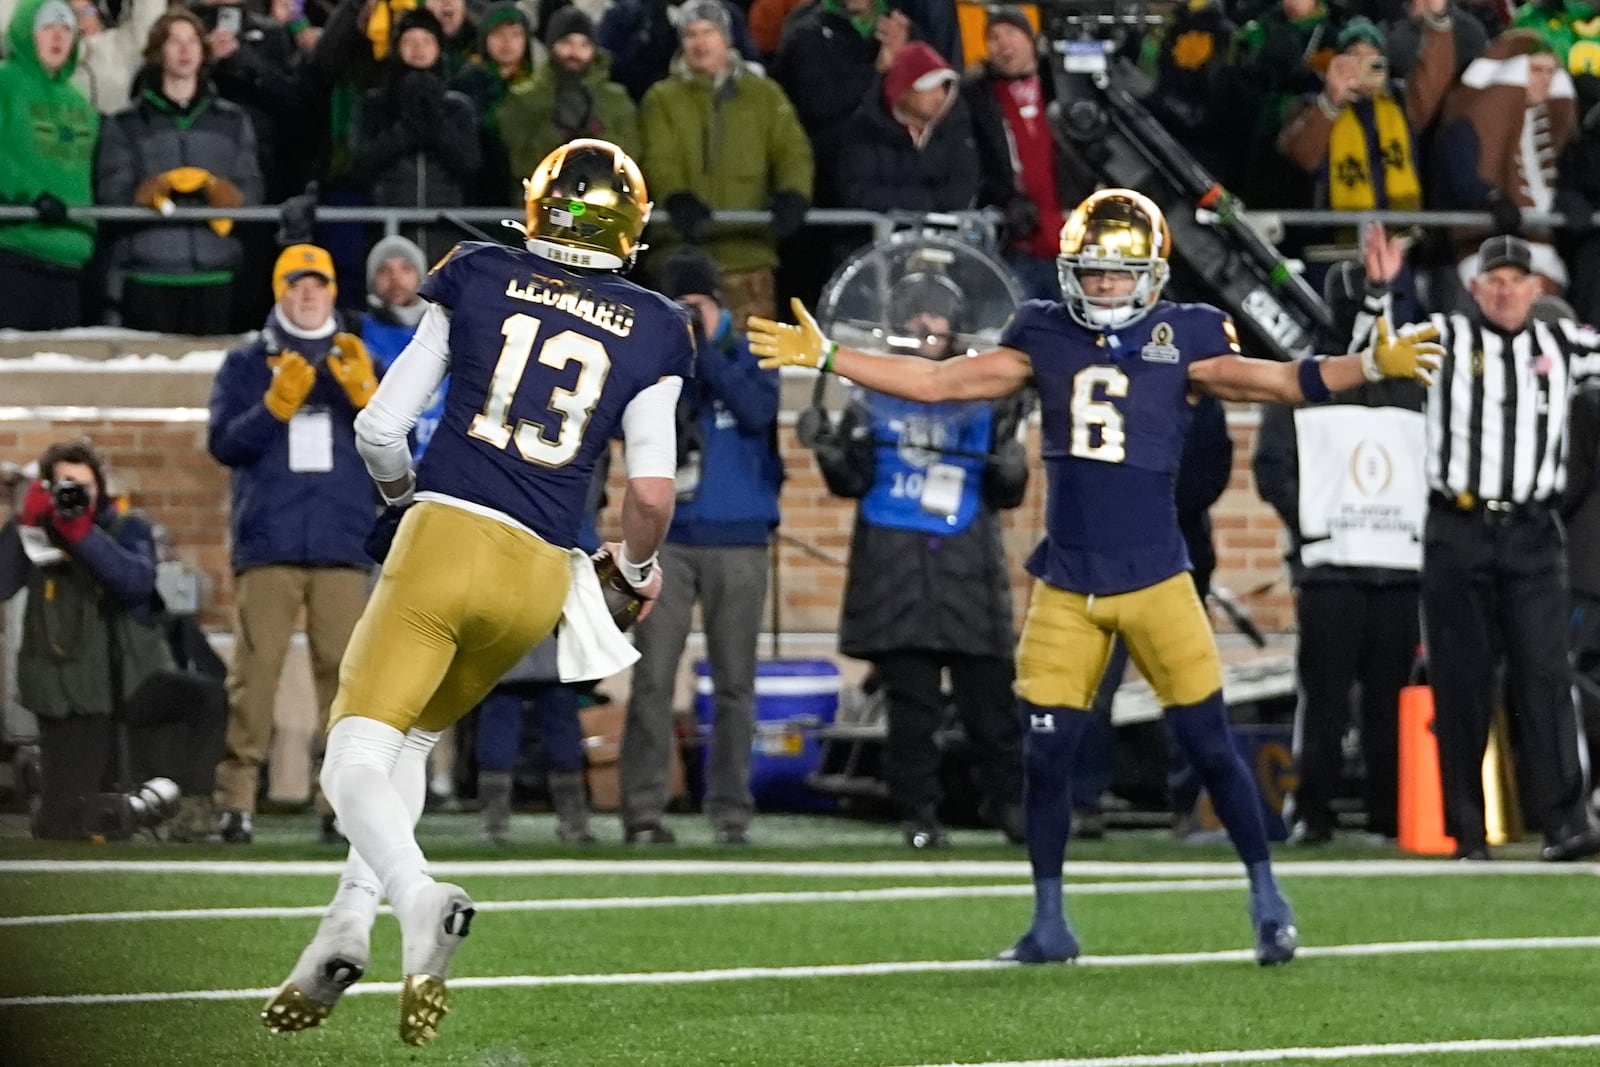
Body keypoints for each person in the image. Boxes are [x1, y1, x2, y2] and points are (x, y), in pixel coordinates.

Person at [747, 187, 1444, 965]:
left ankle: (1267, 894)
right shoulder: (1043, 329)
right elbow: (942, 384)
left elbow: (1279, 381)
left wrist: (1368, 364)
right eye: (1095, 273)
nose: (1107, 287)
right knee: (1044, 755)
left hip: (1155, 578)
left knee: (1211, 747)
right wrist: (831, 357)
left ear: (1150, 274)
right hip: (1068, 584)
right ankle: (1049, 920)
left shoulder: (1187, 333)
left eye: (1120, 275)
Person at [259, 138, 688, 1046]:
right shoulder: (655, 323)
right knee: (408, 738)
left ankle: (418, 898)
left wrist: (398, 504)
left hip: (447, 535)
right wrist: (636, 574)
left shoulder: (483, 272)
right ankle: (344, 922)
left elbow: (381, 429)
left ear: (537, 208)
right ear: (631, 229)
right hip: (540, 575)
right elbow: (650, 493)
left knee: (351, 755)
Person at [1358, 222, 1600, 862]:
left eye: (1515, 280)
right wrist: (1381, 292)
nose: (1504, 291)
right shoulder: (1445, 336)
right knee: (1461, 681)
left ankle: (1565, 824)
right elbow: (1368, 356)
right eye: (1493, 280)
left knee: (1546, 676)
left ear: (1535, 287)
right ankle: (1465, 830)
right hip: (1457, 529)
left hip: (1531, 533)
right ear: (1475, 286)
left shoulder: (1565, 343)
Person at [805, 270, 1027, 848]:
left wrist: (1011, 466)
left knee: (991, 704)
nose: (927, 324)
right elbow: (853, 480)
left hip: (967, 570)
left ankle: (1009, 805)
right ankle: (918, 815)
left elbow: (1008, 490)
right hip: (896, 568)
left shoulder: (989, 396)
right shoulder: (871, 396)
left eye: (937, 313)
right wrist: (828, 449)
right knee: (912, 709)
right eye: (916, 313)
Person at [208, 243, 381, 846]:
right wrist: (271, 408)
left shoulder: (359, 357)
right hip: (270, 541)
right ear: (279, 291)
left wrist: (369, 403)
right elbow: (224, 445)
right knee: (256, 675)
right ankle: (236, 800)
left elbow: (396, 452)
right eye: (296, 284)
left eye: (318, 284)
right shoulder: (246, 362)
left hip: (341, 540)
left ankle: (339, 802)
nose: (307, 294)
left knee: (346, 678)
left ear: (333, 291)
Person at [1253, 259, 1428, 845]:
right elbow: (1273, 468)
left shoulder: (1405, 378)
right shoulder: (1308, 378)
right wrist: (1318, 524)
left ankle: (1379, 808)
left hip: (1388, 567)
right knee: (1329, 698)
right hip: (1335, 567)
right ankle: (1317, 809)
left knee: (1379, 700)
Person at [618, 245, 783, 846]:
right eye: (679, 309)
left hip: (740, 541)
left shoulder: (752, 352)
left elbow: (757, 411)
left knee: (736, 683)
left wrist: (705, 352)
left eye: (698, 307)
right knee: (653, 679)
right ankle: (642, 812)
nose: (689, 318)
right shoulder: (656, 361)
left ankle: (731, 811)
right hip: (670, 540)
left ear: (718, 305)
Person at [0, 440, 224, 842]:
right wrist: (21, 526)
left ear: (100, 488)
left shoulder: (127, 527)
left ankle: (191, 807)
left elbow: (134, 583)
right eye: (66, 485)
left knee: (205, 697)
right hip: (70, 696)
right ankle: (46, 780)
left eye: (85, 485)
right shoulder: (34, 534)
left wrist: (81, 534)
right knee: (64, 825)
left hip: (133, 683)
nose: (77, 494)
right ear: (46, 489)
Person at [0, 0, 97, 329]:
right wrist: (29, 195)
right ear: (27, 33)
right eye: (47, 27)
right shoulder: (5, 83)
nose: (57, 36)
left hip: (71, 259)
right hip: (14, 253)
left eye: (66, 28)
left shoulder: (80, 102)